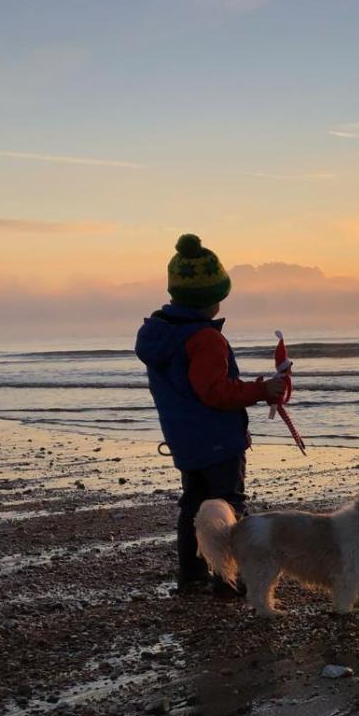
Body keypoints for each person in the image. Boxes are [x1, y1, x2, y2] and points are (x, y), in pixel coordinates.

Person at [134, 234, 286, 594]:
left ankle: (192, 577)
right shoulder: (205, 338)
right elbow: (215, 392)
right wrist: (262, 390)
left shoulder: (161, 335)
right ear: (209, 300)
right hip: (218, 439)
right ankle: (226, 579)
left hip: (184, 440)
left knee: (193, 507)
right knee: (228, 507)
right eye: (219, 296)